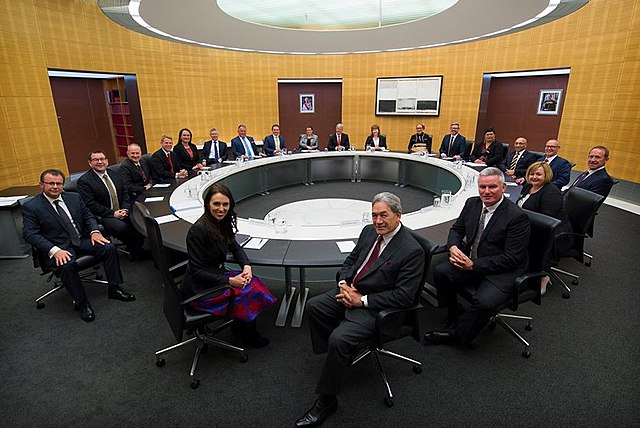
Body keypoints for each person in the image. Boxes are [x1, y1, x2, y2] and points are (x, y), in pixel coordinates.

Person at [296, 192, 425, 428]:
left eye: (384, 215)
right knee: (314, 306)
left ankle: (327, 401)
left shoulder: (411, 251)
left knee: (339, 338)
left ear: (398, 215)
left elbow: (404, 296)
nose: (378, 221)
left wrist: (361, 300)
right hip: (351, 291)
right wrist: (344, 284)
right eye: (374, 215)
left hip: (377, 308)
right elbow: (350, 261)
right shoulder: (369, 231)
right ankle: (338, 359)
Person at [425, 167, 530, 347]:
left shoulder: (517, 217)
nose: (486, 192)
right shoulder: (472, 203)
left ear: (503, 187)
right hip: (473, 259)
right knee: (441, 272)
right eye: (482, 187)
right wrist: (453, 247)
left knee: (484, 303)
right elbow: (457, 230)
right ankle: (454, 313)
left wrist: (473, 265)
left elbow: (511, 258)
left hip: (501, 269)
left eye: (492, 187)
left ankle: (458, 336)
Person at [22, 169, 135, 322]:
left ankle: (115, 288)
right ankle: (82, 303)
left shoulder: (74, 197)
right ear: (41, 185)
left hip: (81, 239)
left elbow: (88, 216)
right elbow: (30, 234)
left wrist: (95, 231)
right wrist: (54, 251)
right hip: (58, 246)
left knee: (109, 248)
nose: (55, 187)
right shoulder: (32, 206)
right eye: (51, 183)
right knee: (67, 265)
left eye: (59, 183)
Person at [183, 184, 275, 348]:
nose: (221, 209)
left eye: (225, 204)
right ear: (207, 205)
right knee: (250, 292)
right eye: (216, 204)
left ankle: (241, 325)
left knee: (253, 281)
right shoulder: (198, 230)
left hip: (216, 275)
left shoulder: (221, 222)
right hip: (202, 289)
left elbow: (234, 246)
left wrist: (246, 266)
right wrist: (231, 280)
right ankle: (249, 335)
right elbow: (197, 272)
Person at [77, 150, 147, 260]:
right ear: (90, 163)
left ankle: (136, 247)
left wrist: (125, 209)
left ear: (107, 161)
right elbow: (91, 204)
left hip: (122, 209)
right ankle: (135, 251)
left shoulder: (114, 174)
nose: (100, 162)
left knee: (140, 219)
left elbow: (125, 193)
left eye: (102, 159)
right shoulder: (84, 181)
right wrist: (113, 213)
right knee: (122, 227)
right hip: (104, 215)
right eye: (96, 160)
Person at [517, 161, 572, 295]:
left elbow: (544, 221)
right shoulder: (528, 186)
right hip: (532, 226)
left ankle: (543, 276)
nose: (534, 177)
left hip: (553, 234)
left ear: (546, 175)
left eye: (538, 174)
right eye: (531, 173)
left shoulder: (551, 192)